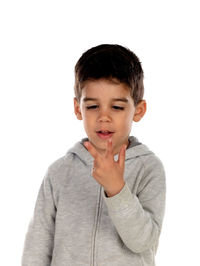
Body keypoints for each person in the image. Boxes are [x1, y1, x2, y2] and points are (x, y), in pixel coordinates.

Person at [22, 44, 166, 266]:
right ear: (78, 109)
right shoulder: (59, 172)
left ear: (138, 110)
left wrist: (117, 189)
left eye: (117, 107)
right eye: (92, 107)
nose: (104, 117)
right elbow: (38, 245)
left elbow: (143, 242)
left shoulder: (149, 169)